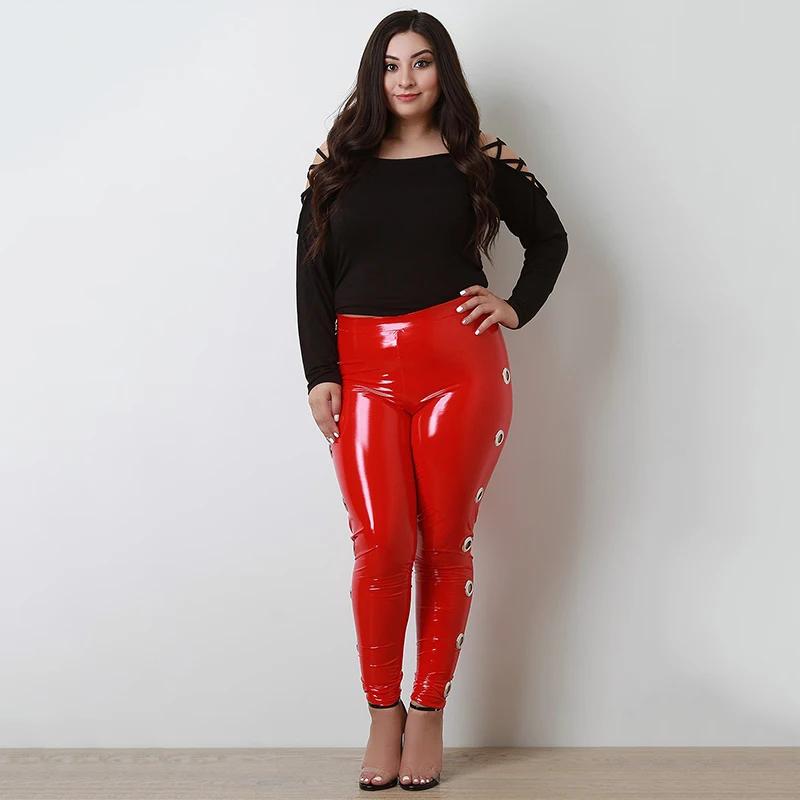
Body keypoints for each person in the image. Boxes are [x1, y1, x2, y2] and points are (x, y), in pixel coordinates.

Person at [295, 10, 568, 791]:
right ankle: (382, 713)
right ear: (373, 75)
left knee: (446, 543)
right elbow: (308, 272)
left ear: (442, 70)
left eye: (421, 62)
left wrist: (514, 305)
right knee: (382, 544)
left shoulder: (479, 155)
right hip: (363, 371)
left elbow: (551, 239)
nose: (406, 78)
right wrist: (320, 373)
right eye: (390, 65)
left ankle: (428, 710)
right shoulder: (338, 161)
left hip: (460, 369)